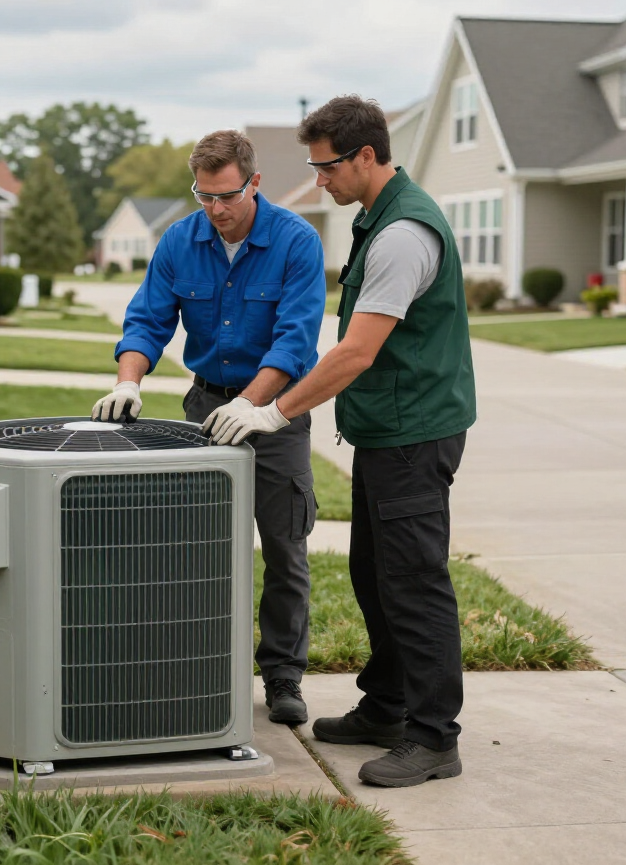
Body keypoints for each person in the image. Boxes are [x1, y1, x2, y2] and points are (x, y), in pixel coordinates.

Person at [204, 96, 476, 788]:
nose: (318, 181)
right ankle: (386, 708)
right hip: (390, 431)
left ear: (364, 156)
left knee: (414, 584)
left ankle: (434, 737)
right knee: (375, 577)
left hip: (416, 433)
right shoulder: (377, 219)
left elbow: (355, 353)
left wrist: (274, 413)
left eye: (327, 167)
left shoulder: (402, 234)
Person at [91, 129, 326, 725]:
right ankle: (199, 667)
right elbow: (147, 320)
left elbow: (296, 340)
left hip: (277, 416)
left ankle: (281, 678)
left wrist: (251, 406)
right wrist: (128, 382)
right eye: (204, 196)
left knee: (284, 550)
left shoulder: (296, 242)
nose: (216, 210)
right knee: (196, 550)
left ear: (253, 182)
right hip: (204, 410)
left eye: (226, 196)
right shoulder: (180, 240)